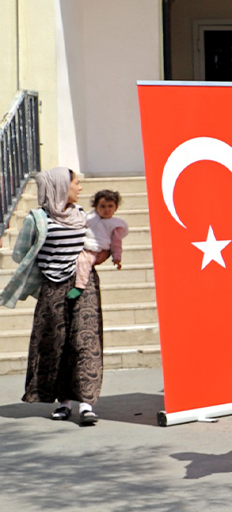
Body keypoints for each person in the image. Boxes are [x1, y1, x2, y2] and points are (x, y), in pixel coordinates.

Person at [0, 168, 105, 425]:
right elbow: (20, 253)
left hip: (84, 285)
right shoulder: (37, 218)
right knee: (56, 343)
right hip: (53, 286)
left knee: (86, 341)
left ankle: (87, 404)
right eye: (76, 183)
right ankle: (64, 402)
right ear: (59, 186)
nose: (80, 187)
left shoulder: (82, 216)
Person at [71, 190, 129, 298]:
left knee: (84, 262)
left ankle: (79, 286)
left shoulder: (115, 224)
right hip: (85, 245)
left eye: (110, 206)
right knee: (80, 261)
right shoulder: (90, 219)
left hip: (97, 249)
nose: (106, 209)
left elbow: (116, 243)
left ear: (115, 207)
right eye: (102, 206)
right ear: (96, 208)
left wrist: (116, 257)